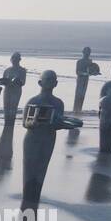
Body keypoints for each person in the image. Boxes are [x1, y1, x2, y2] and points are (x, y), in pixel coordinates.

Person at [20, 70, 80, 210]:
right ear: (40, 82)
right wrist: (33, 123)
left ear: (56, 83)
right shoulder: (33, 101)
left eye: (53, 80)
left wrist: (63, 125)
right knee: (29, 169)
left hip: (48, 138)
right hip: (32, 139)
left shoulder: (58, 103)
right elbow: (24, 123)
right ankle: (27, 198)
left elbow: (58, 122)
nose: (50, 82)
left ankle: (34, 199)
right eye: (47, 79)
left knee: (42, 168)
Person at [0, 52, 27, 124]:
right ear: (11, 60)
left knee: (13, 108)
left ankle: (11, 122)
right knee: (6, 108)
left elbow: (23, 82)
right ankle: (6, 123)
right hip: (7, 90)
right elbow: (3, 81)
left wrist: (17, 81)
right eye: (13, 59)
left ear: (19, 60)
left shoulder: (22, 70)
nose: (14, 60)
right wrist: (4, 82)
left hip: (16, 91)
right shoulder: (7, 70)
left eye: (16, 59)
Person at [73, 47, 99, 113]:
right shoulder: (79, 61)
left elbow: (91, 70)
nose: (88, 54)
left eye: (89, 52)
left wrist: (94, 73)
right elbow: (77, 72)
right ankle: (75, 110)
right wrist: (85, 74)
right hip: (80, 80)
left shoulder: (90, 61)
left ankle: (79, 109)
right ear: (83, 52)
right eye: (86, 52)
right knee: (78, 95)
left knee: (82, 95)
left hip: (86, 80)